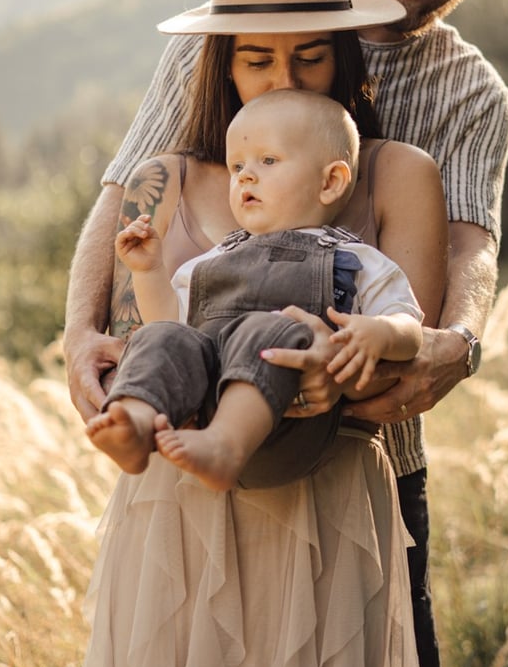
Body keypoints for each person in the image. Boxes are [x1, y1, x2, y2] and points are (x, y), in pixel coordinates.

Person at [64, 0, 508, 667]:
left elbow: (471, 245)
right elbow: (128, 192)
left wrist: (455, 344)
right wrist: (80, 327)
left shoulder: (468, 93)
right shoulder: (222, 37)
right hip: (195, 427)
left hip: (360, 435)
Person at [71, 0, 448, 667]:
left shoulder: (394, 174)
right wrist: (99, 333)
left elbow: (414, 352)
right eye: (254, 61)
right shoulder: (159, 181)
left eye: (311, 57)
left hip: (321, 500)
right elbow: (148, 328)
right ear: (220, 68)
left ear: (346, 56)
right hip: (179, 506)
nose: (280, 79)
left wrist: (343, 378)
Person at [86, 90, 424, 491]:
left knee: (275, 329)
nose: (245, 175)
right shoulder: (212, 262)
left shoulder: (353, 258)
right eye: (237, 166)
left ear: (330, 181)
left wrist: (383, 333)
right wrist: (148, 271)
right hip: (203, 415)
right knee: (159, 336)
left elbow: (411, 327)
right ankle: (137, 423)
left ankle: (227, 444)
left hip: (292, 426)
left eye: (268, 161)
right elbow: (173, 326)